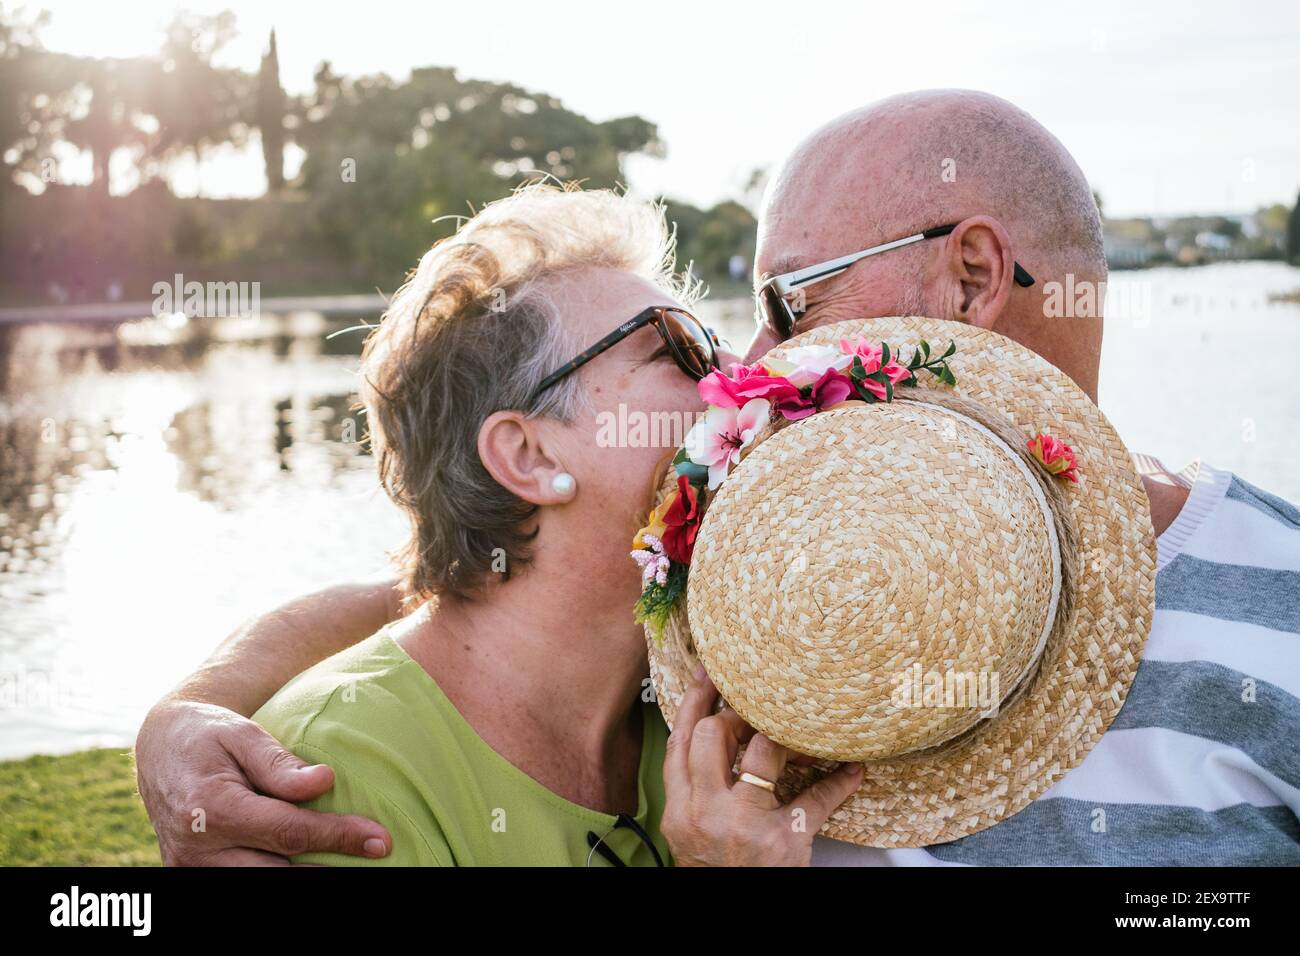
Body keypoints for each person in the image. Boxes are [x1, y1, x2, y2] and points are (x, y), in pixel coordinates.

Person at [137, 91, 1300, 866]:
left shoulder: (1278, 593)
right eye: (696, 348)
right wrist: (194, 705)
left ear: (972, 276)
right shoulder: (760, 622)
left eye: (782, 306)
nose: (751, 371)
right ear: (528, 453)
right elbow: (476, 604)